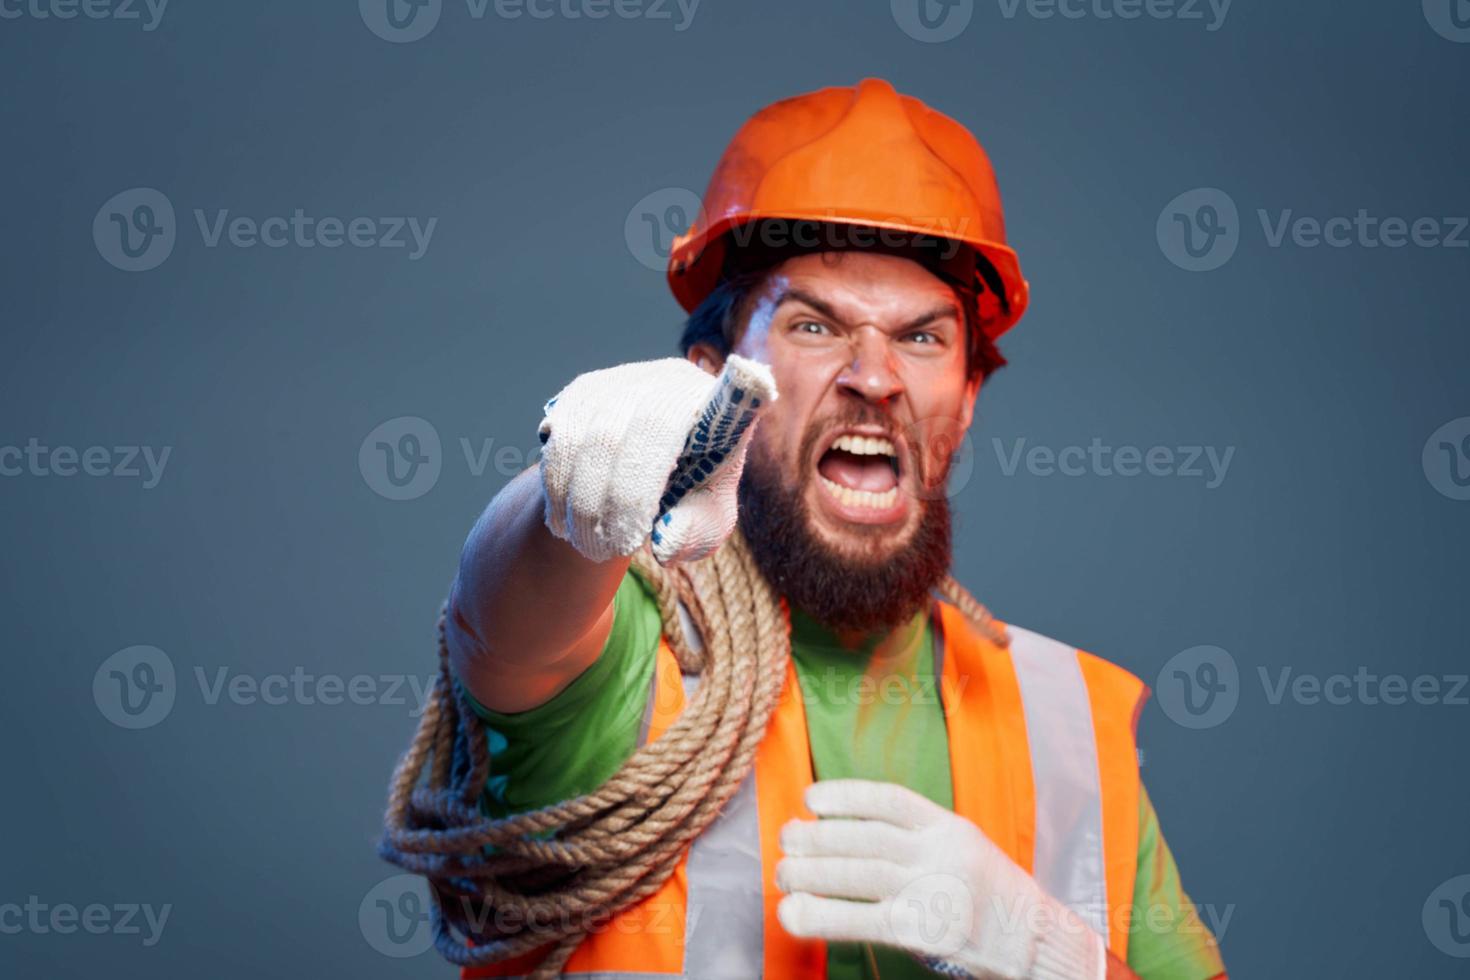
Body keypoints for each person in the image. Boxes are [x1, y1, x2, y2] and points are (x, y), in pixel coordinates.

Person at [382, 78, 1227, 980]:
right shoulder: (630, 651)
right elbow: (505, 629)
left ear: (969, 397)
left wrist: (1056, 961)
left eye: (923, 338)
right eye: (815, 324)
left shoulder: (1069, 718)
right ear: (714, 375)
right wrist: (568, 492)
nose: (876, 376)